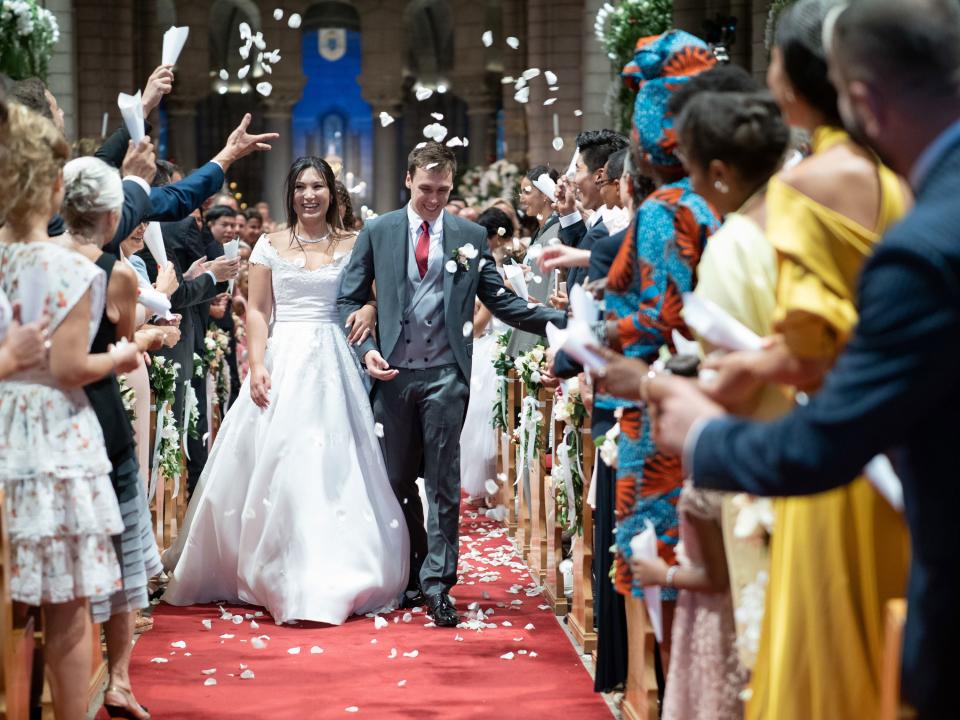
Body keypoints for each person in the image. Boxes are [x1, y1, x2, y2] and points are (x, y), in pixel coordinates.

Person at [640, 1, 960, 716]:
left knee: (828, 655)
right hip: (897, 465)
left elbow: (820, 365)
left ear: (860, 95)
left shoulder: (840, 204)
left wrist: (705, 431)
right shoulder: (905, 186)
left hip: (855, 458)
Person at [164, 157, 405, 624]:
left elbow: (368, 297)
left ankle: (334, 568)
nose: (309, 195)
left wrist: (371, 311)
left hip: (334, 356)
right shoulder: (268, 246)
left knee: (333, 464)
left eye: (318, 187)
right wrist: (256, 364)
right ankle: (273, 568)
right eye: (300, 187)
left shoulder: (355, 244)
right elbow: (257, 311)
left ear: (332, 193)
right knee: (279, 457)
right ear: (289, 194)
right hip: (285, 355)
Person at [337, 141, 565, 627]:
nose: (434, 199)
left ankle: (440, 585)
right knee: (395, 480)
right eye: (425, 189)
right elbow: (348, 299)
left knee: (442, 481)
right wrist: (365, 348)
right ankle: (415, 567)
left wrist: (556, 319)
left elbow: (500, 300)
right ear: (408, 181)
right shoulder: (378, 231)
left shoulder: (469, 234)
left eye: (442, 190)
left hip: (445, 375)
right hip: (393, 374)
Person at [625, 91, 791, 720]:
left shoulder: (736, 243)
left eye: (692, 168)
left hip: (752, 456)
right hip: (815, 452)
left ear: (718, 171)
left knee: (741, 635)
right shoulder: (805, 217)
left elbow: (724, 373)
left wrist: (653, 384)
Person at [0, 102, 140, 720]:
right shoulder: (69, 269)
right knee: (69, 602)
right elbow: (66, 369)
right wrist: (124, 355)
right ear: (52, 186)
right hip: (54, 439)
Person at [59, 156, 178, 720]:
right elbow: (123, 343)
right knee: (123, 550)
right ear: (112, 216)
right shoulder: (118, 271)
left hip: (49, 421)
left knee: (70, 552)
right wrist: (147, 340)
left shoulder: (39, 261)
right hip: (101, 417)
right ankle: (119, 680)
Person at [553, 129, 628, 292]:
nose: (573, 179)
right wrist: (569, 214)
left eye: (578, 169)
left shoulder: (609, 228)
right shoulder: (599, 222)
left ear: (599, 176)